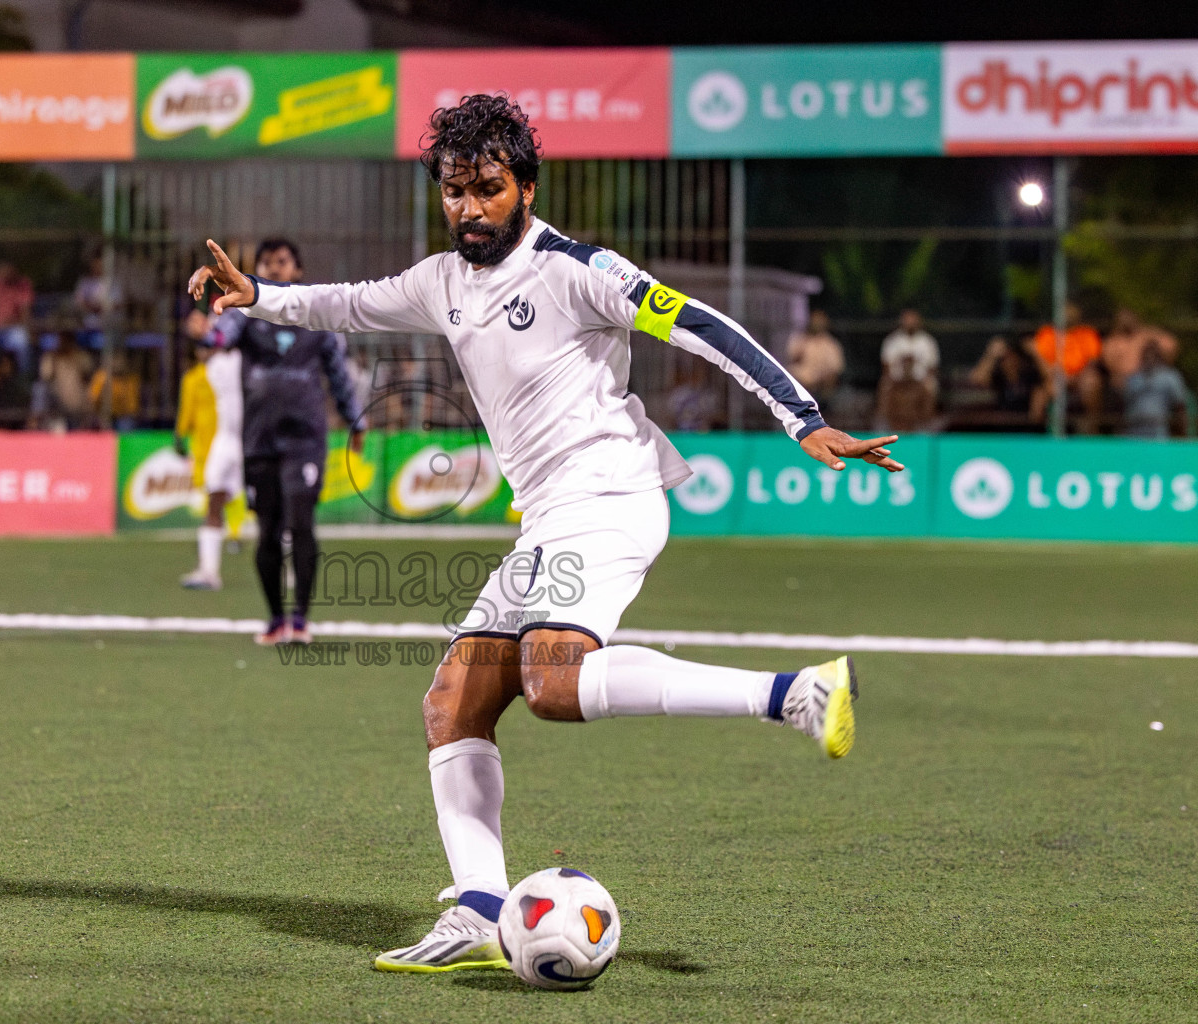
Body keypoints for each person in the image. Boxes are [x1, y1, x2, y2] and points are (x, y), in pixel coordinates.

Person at [189, 94, 901, 974]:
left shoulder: (576, 269)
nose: (469, 208)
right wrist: (257, 296)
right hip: (550, 519)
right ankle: (481, 913)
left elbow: (700, 324)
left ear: (525, 185)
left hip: (610, 493)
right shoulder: (443, 281)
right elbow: (348, 305)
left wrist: (799, 416)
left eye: (487, 187)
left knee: (552, 683)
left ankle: (794, 694)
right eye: (454, 191)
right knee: (454, 701)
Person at [200, 238, 364, 643]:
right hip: (259, 439)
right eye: (267, 262)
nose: (275, 268)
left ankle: (301, 619)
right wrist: (210, 331)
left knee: (301, 523)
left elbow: (339, 374)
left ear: (298, 270)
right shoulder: (246, 311)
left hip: (304, 437)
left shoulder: (316, 315)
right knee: (268, 530)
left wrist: (355, 420)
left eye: (283, 261)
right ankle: (275, 618)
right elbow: (220, 335)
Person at [179, 335, 244, 590]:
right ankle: (208, 571)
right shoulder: (216, 367)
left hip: (249, 438)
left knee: (273, 506)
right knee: (213, 501)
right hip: (225, 441)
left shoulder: (236, 362)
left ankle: (289, 570)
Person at [1031, 303, 1102, 433]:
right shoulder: (1047, 334)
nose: (1067, 316)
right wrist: (1060, 375)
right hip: (1056, 377)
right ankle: (1051, 432)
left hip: (1080, 377)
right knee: (1048, 391)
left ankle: (1092, 428)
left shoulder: (1087, 334)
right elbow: (1044, 363)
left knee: (1092, 382)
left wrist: (1074, 376)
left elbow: (1092, 362)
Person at [968, 334, 1046, 424]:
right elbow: (977, 379)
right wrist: (991, 355)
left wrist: (1037, 354)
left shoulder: (1030, 374)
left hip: (1030, 426)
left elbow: (1051, 380)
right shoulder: (1000, 376)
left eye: (1012, 357)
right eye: (1004, 358)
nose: (1009, 362)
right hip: (1004, 426)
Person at [1122, 341, 1192, 439]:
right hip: (1134, 431)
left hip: (1160, 431)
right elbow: (1125, 406)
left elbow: (1180, 406)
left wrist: (1182, 433)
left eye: (1153, 354)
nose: (1149, 357)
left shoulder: (1170, 377)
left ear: (1159, 356)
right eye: (1146, 354)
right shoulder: (1134, 378)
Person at [31, 332, 96, 431]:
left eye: (66, 339)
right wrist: (55, 361)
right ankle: (34, 427)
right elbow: (45, 378)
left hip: (78, 402)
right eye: (61, 339)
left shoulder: (81, 356)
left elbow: (89, 379)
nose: (63, 342)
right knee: (40, 388)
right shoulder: (51, 357)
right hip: (57, 404)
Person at [785, 309, 845, 400]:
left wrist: (822, 382)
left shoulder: (831, 344)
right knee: (788, 377)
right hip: (800, 381)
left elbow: (836, 370)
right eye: (815, 320)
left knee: (829, 382)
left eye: (820, 321)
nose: (817, 323)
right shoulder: (799, 339)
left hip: (820, 384)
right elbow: (792, 359)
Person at [73, 251, 122, 344]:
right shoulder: (84, 282)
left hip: (109, 327)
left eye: (100, 264)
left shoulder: (113, 282)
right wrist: (91, 307)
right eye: (95, 264)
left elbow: (118, 303)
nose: (97, 267)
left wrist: (104, 307)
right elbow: (79, 302)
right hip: (87, 327)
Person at [88, 350, 141, 431]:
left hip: (124, 417)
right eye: (115, 359)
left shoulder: (130, 379)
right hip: (104, 415)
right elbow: (93, 399)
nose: (118, 363)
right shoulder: (101, 377)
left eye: (120, 359)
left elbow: (132, 407)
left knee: (126, 425)